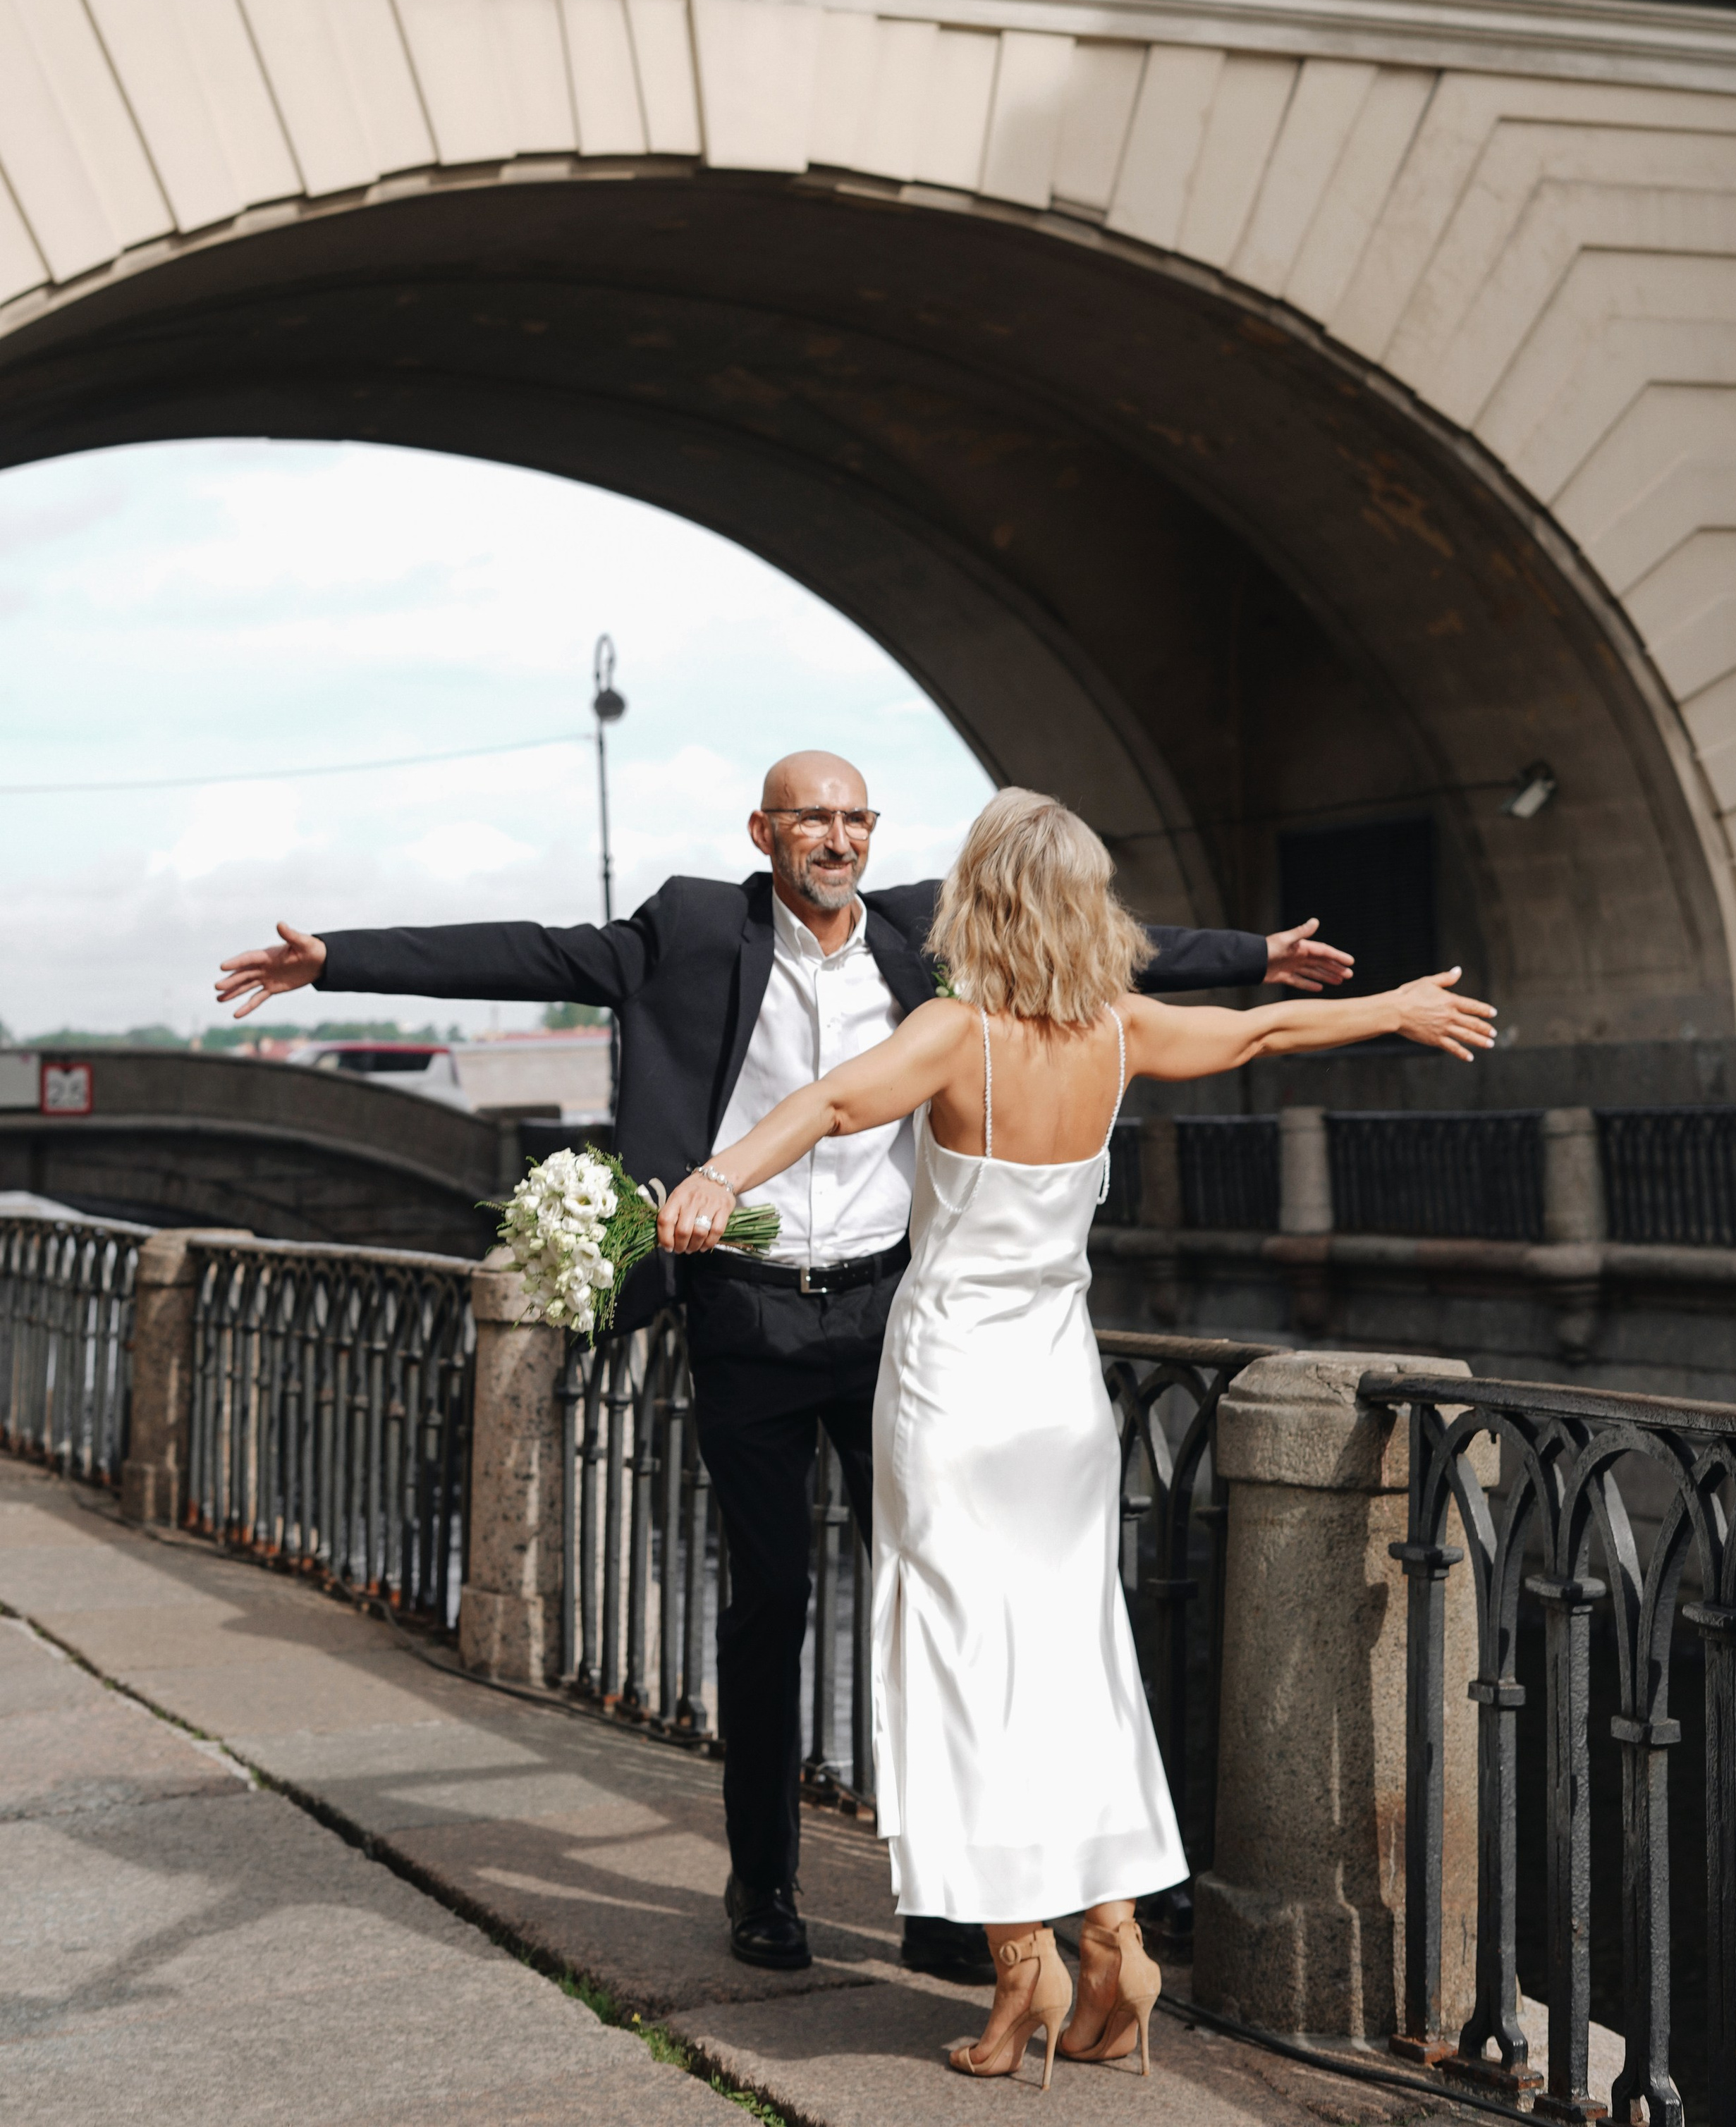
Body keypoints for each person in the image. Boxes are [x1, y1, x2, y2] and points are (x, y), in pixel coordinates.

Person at [214, 751, 1354, 1986]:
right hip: (747, 1317)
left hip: (892, 1325)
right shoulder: (693, 931)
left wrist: (1253, 954)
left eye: (856, 817)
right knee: (770, 1604)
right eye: (813, 817)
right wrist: (337, 959)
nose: (838, 837)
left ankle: (945, 1899)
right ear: (763, 832)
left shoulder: (923, 937)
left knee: (928, 1607)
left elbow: (1086, 935)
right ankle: (764, 1883)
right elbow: (533, 954)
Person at [653, 786, 1495, 2087]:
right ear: (1088, 910)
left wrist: (716, 1178)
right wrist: (1394, 1008)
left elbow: (827, 1107)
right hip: (1061, 1399)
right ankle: (1115, 1946)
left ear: (982, 905)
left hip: (952, 1388)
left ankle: (1021, 1972)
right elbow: (1265, 1029)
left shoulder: (955, 1035)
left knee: (960, 1669)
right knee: (1074, 1662)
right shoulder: (1120, 1031)